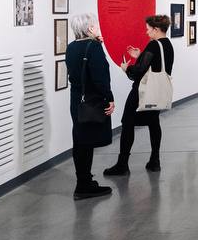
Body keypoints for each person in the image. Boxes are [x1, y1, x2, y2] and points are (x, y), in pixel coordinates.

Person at [104, 15, 175, 175]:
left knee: (127, 122)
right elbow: (156, 64)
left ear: (156, 29)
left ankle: (122, 164)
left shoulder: (153, 45)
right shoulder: (168, 45)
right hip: (157, 92)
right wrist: (140, 56)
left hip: (142, 93)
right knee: (153, 122)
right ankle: (155, 160)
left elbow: (138, 72)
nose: (146, 32)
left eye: (148, 29)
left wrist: (126, 68)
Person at [64, 13, 114, 200]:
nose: (98, 28)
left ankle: (84, 180)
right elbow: (100, 78)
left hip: (76, 100)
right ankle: (83, 186)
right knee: (87, 142)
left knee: (80, 140)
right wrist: (109, 98)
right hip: (92, 99)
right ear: (90, 28)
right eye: (96, 25)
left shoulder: (71, 47)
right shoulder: (93, 47)